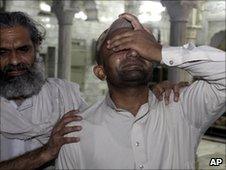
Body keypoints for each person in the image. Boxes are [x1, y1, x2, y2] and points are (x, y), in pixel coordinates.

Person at [0, 11, 183, 169]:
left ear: (36, 48)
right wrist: (45, 153)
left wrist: (149, 94)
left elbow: (102, 127)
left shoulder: (62, 95)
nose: (15, 60)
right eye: (3, 52)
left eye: (23, 50)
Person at [56, 13, 226, 170]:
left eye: (139, 45)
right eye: (118, 46)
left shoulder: (182, 108)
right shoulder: (76, 132)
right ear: (101, 72)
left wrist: (160, 51)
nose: (132, 52)